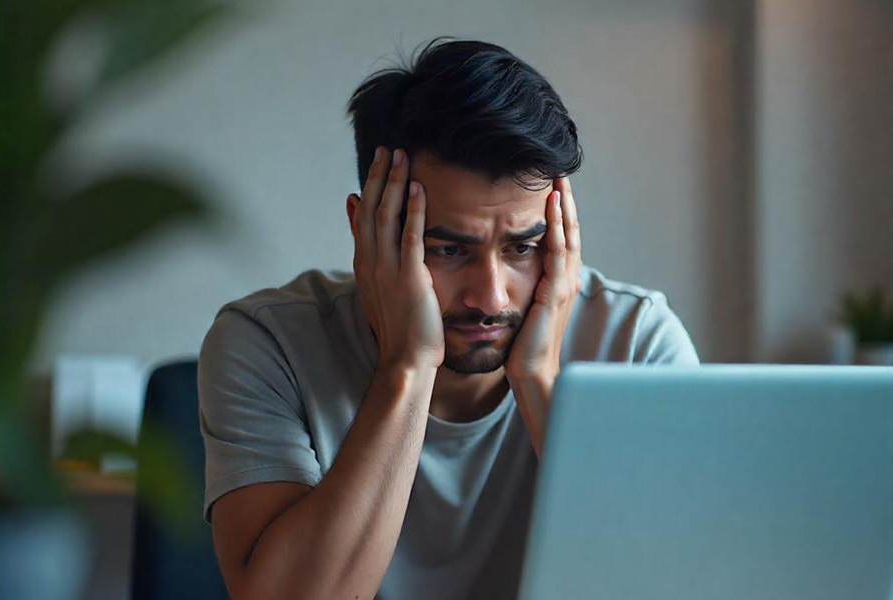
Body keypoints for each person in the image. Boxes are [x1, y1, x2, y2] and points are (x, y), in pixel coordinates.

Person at [198, 38, 699, 600]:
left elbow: (671, 582)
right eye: (448, 250)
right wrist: (407, 368)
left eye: (522, 248)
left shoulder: (637, 343)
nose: (490, 297)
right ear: (366, 229)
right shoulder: (268, 343)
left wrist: (541, 383)